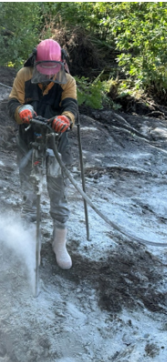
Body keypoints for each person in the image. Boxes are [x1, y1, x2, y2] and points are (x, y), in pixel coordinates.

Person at [7, 39, 78, 269]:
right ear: (36, 61)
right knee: (30, 192)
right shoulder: (23, 75)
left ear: (60, 63)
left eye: (52, 71)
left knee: (57, 192)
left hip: (56, 145)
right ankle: (32, 241)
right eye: (43, 70)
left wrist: (65, 118)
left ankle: (59, 243)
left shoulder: (67, 80)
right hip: (29, 143)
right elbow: (11, 105)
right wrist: (21, 111)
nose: (48, 75)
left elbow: (72, 107)